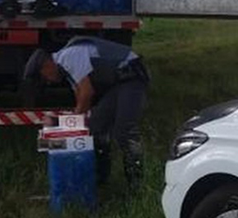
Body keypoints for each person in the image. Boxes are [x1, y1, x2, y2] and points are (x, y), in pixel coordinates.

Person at [24, 37, 150, 189]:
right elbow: (80, 98)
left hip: (132, 76)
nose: (49, 81)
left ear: (46, 65)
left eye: (45, 77)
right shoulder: (65, 69)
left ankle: (137, 184)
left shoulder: (68, 57)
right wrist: (70, 121)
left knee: (123, 131)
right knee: (96, 126)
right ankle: (101, 179)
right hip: (118, 82)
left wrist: (72, 123)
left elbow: (87, 93)